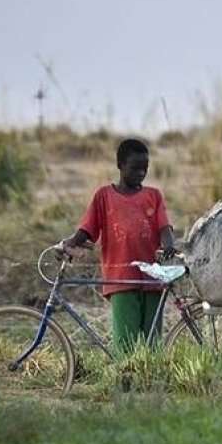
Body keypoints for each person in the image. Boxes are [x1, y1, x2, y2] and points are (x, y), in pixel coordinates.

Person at [58, 138, 176, 353]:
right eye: (135, 168)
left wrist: (169, 244)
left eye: (145, 169)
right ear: (120, 165)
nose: (141, 173)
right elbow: (87, 229)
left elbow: (164, 228)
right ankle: (125, 382)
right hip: (120, 277)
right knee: (125, 343)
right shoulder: (104, 196)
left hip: (152, 277)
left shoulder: (153, 196)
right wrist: (71, 243)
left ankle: (154, 381)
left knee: (153, 344)